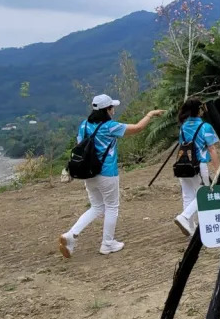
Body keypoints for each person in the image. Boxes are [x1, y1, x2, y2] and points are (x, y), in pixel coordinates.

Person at [59, 94, 164, 257]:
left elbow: (80, 144)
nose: (113, 110)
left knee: (96, 206)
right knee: (112, 207)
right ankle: (107, 243)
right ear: (107, 109)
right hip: (107, 173)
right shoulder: (110, 126)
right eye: (111, 107)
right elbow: (137, 128)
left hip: (88, 173)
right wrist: (150, 115)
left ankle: (71, 235)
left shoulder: (84, 125)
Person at [173, 98, 220, 236]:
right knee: (203, 194)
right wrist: (217, 169)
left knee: (188, 195)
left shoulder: (183, 127)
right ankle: (185, 217)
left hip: (182, 165)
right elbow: (212, 149)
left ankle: (191, 227)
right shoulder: (205, 127)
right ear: (199, 110)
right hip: (198, 166)